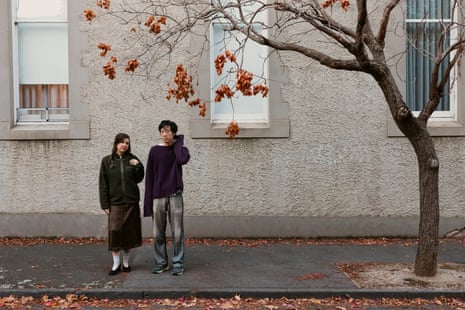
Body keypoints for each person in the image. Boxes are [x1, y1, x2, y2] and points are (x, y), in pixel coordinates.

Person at [144, 120, 190, 276]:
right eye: (162, 131)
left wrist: (178, 142)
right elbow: (149, 176)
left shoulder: (180, 150)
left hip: (175, 195)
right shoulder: (154, 151)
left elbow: (182, 159)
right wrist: (148, 201)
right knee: (158, 232)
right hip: (158, 196)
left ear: (174, 133)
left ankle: (178, 263)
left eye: (168, 131)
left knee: (177, 232)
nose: (165, 134)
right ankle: (161, 262)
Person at [99, 132, 144, 276]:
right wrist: (105, 204)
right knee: (115, 232)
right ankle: (115, 264)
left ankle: (125, 263)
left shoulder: (132, 159)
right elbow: (103, 184)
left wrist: (138, 166)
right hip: (115, 203)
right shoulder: (107, 161)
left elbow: (139, 178)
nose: (125, 145)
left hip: (131, 202)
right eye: (122, 142)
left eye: (127, 143)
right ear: (116, 143)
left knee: (129, 233)